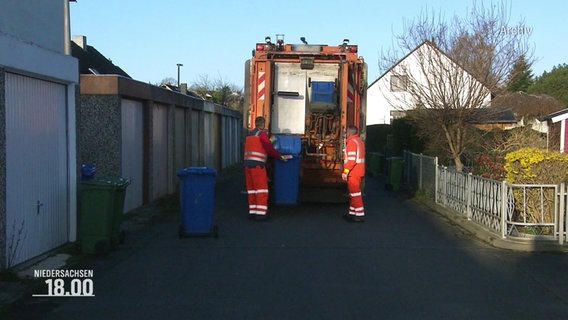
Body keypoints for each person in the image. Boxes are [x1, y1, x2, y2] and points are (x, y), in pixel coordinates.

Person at [243, 116, 285, 221]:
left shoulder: (249, 134)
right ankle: (261, 214)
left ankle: (252, 212)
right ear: (263, 124)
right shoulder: (262, 134)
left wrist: (270, 139)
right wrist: (279, 157)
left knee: (252, 190)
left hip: (247, 165)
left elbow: (259, 144)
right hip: (258, 165)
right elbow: (268, 148)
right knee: (261, 189)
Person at [342, 125, 366, 222]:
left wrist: (345, 172)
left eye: (346, 132)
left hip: (353, 172)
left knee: (355, 194)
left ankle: (359, 215)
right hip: (358, 171)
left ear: (349, 132)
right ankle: (352, 213)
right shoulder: (359, 141)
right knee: (353, 193)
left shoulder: (351, 143)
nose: (345, 134)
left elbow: (351, 160)